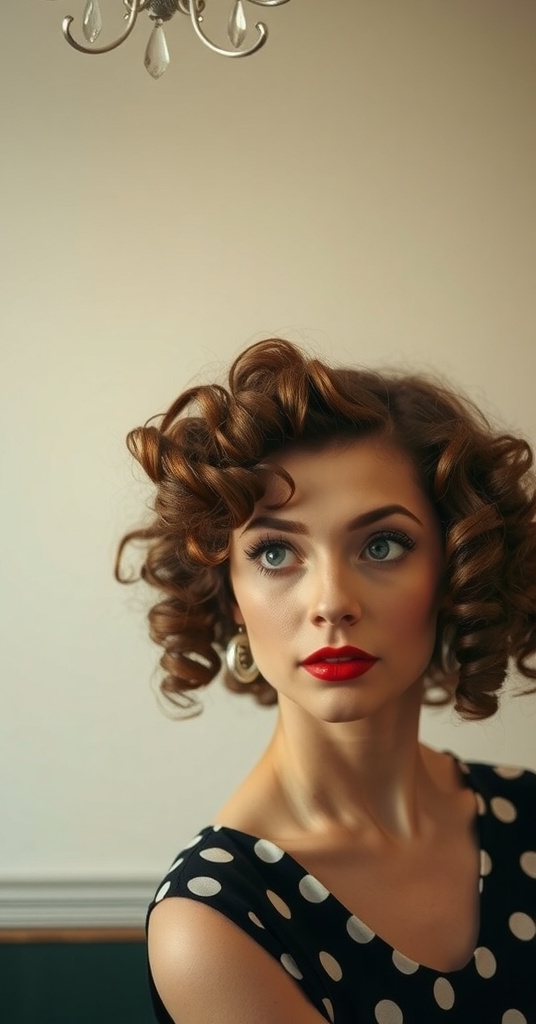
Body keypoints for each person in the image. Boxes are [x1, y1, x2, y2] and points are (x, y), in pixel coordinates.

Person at [116, 338, 536, 1024]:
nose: (332, 600)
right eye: (276, 551)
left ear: (456, 573)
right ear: (229, 597)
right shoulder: (216, 919)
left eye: (381, 545)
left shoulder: (529, 814)